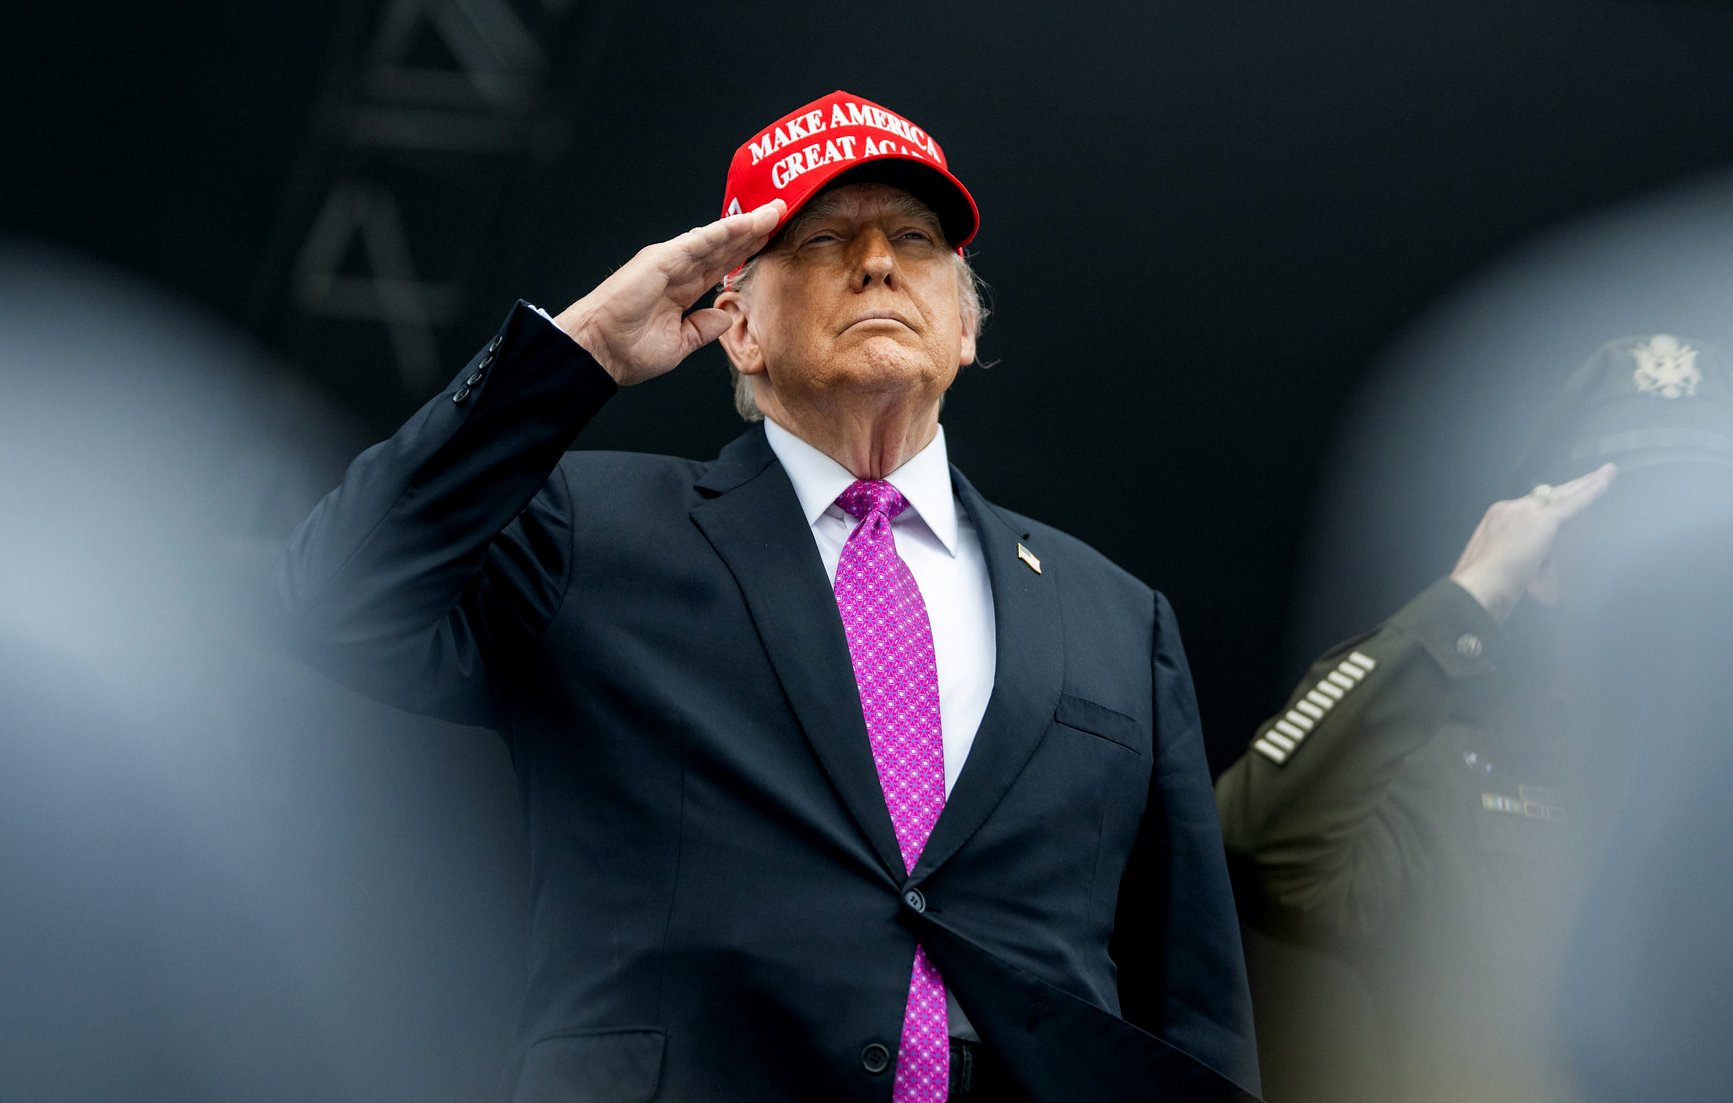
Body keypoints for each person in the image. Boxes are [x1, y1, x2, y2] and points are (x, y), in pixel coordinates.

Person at [274, 90, 1260, 1103]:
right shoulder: (585, 530)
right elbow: (338, 597)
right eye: (822, 239)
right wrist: (584, 349)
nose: (875, 262)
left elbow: (1193, 1015)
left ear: (965, 325)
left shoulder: (1115, 616)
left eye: (915, 238)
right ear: (737, 324)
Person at [1215, 332, 1733, 1102]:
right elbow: (1260, 839)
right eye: (1629, 520)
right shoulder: (1448, 775)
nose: (1670, 563)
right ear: (1545, 564)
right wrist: (1466, 601)